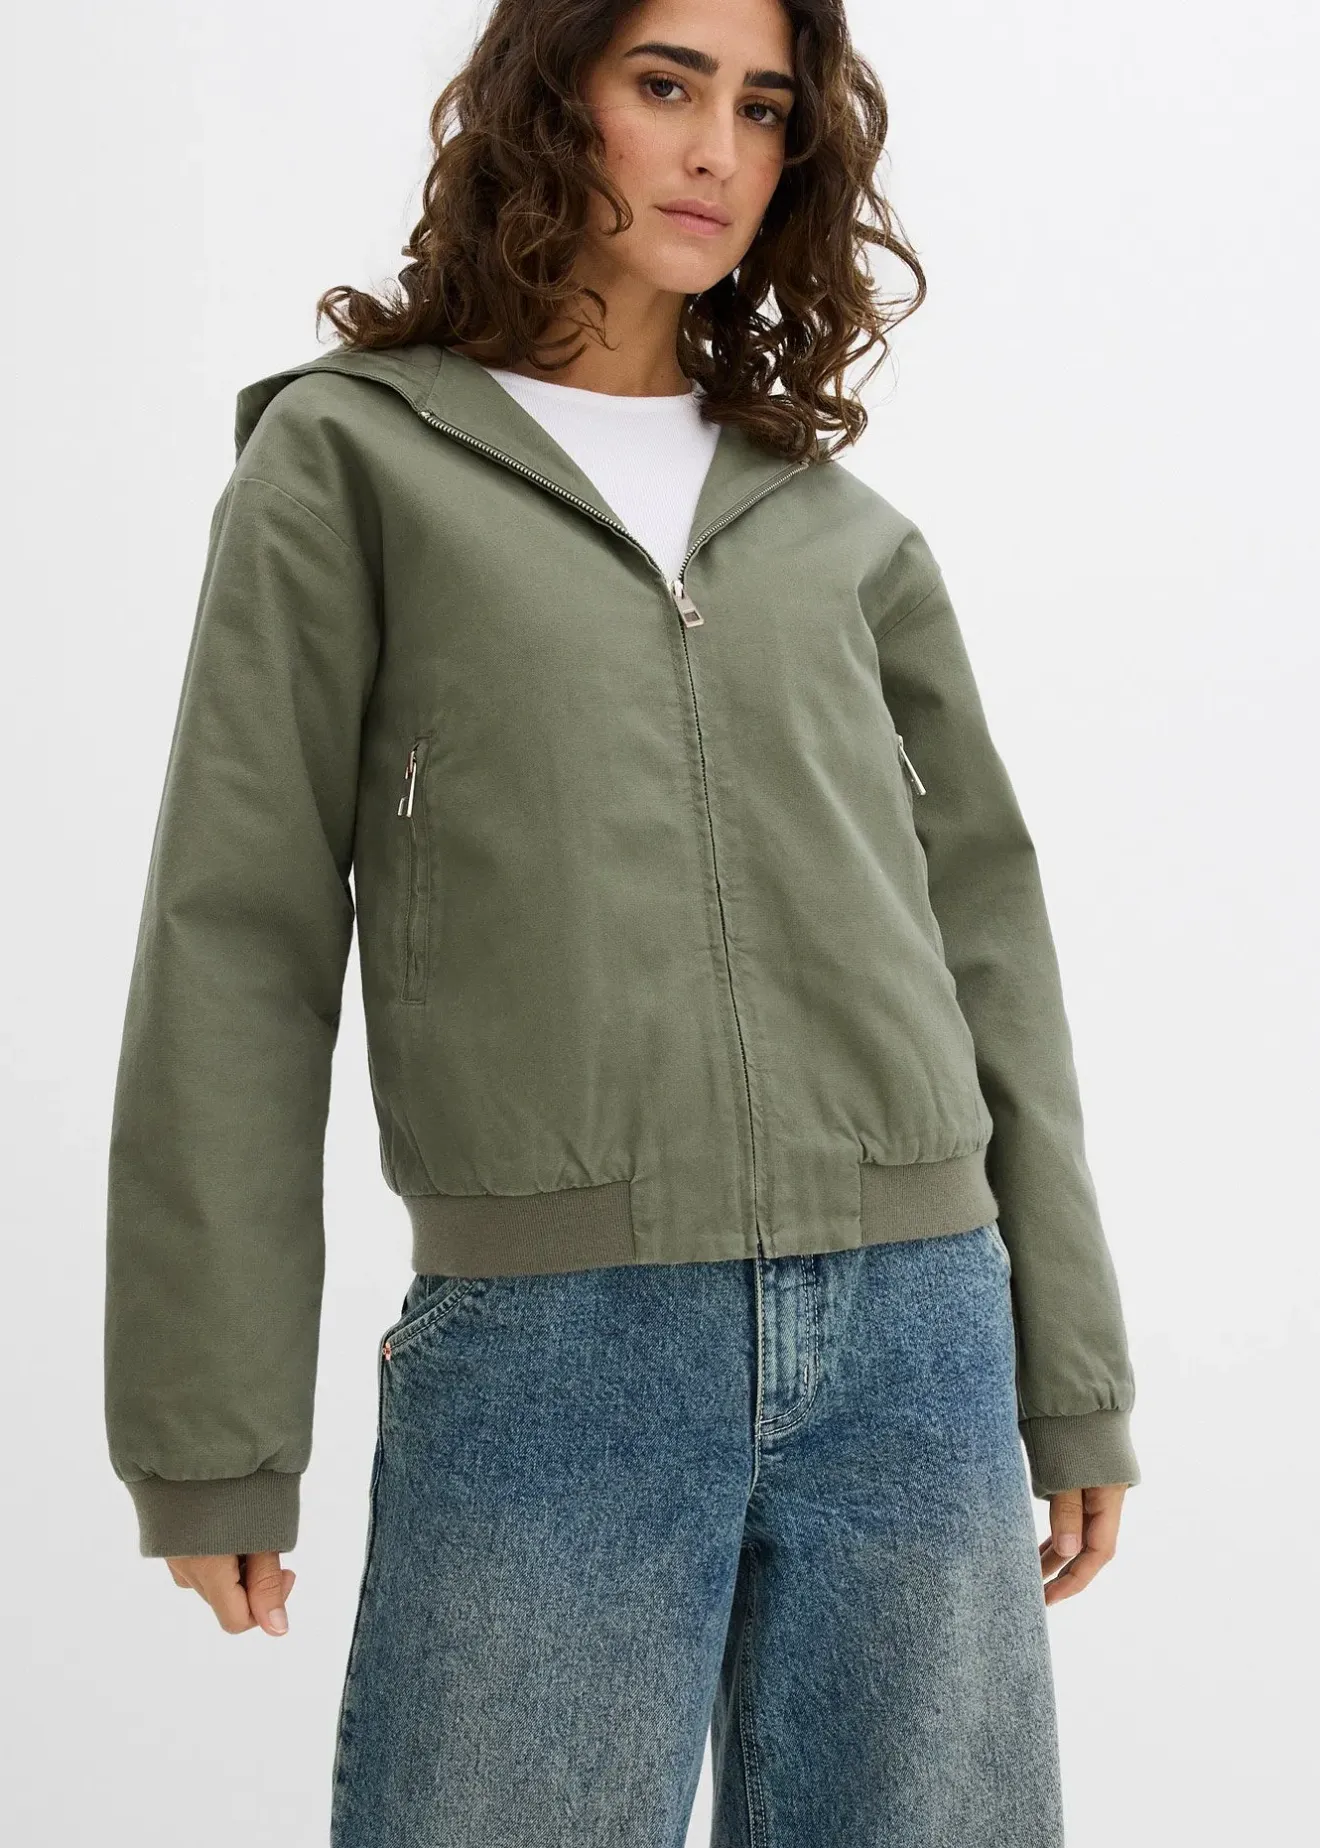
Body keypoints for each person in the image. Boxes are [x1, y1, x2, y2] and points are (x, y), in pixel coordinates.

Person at [103, 1, 1140, 1842]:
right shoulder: (353, 461)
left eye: (766, 107)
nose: (718, 148)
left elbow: (989, 933)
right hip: (555, 1344)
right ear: (547, 99)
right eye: (666, 85)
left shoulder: (838, 526)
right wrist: (213, 1430)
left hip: (916, 1335)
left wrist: (1066, 1378)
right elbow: (237, 938)